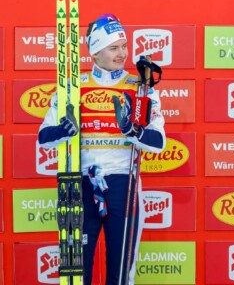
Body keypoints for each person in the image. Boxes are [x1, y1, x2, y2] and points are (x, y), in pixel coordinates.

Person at [38, 14, 166, 285]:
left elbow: (158, 142)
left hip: (123, 184)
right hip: (80, 185)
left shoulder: (139, 88)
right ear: (95, 52)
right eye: (113, 47)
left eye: (124, 46)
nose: (122, 53)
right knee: (77, 271)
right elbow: (44, 137)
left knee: (120, 273)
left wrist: (132, 130)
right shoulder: (72, 88)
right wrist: (64, 130)